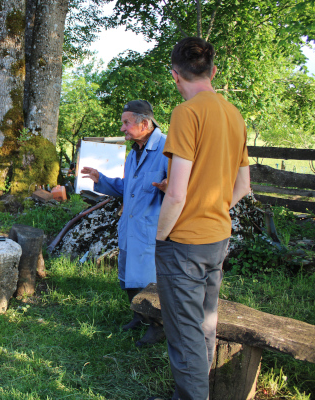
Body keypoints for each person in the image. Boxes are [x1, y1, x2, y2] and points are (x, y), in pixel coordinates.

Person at [151, 37, 251, 400]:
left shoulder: (186, 114)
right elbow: (243, 185)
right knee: (205, 324)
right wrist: (215, 210)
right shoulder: (233, 113)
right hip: (217, 238)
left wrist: (161, 236)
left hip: (184, 244)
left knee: (185, 334)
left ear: (175, 75)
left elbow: (176, 193)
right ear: (214, 71)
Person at [81, 100, 168, 347]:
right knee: (129, 273)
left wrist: (168, 188)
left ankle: (157, 326)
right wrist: (101, 179)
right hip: (130, 225)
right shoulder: (133, 154)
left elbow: (183, 188)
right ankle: (139, 316)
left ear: (144, 123)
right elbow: (126, 188)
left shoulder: (167, 149)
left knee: (149, 278)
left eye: (126, 123)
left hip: (152, 226)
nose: (122, 128)